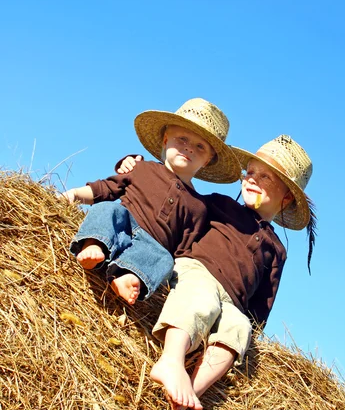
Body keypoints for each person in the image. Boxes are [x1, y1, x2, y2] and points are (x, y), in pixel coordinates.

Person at [117, 135, 316, 410]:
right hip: (197, 271)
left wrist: (252, 329)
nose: (252, 179)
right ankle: (171, 360)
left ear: (286, 198)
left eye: (266, 177)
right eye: (251, 172)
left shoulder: (277, 250)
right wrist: (134, 164)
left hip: (232, 303)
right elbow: (176, 195)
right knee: (201, 299)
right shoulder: (219, 204)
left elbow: (262, 302)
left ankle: (192, 391)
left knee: (238, 330)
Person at [62, 98, 241, 305]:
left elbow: (182, 250)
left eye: (200, 146)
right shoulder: (141, 168)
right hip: (123, 223)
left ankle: (128, 276)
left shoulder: (199, 206)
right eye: (182, 139)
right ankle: (94, 245)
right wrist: (74, 194)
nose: (189, 148)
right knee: (107, 210)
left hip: (151, 246)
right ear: (166, 140)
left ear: (207, 160)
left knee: (164, 260)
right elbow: (105, 189)